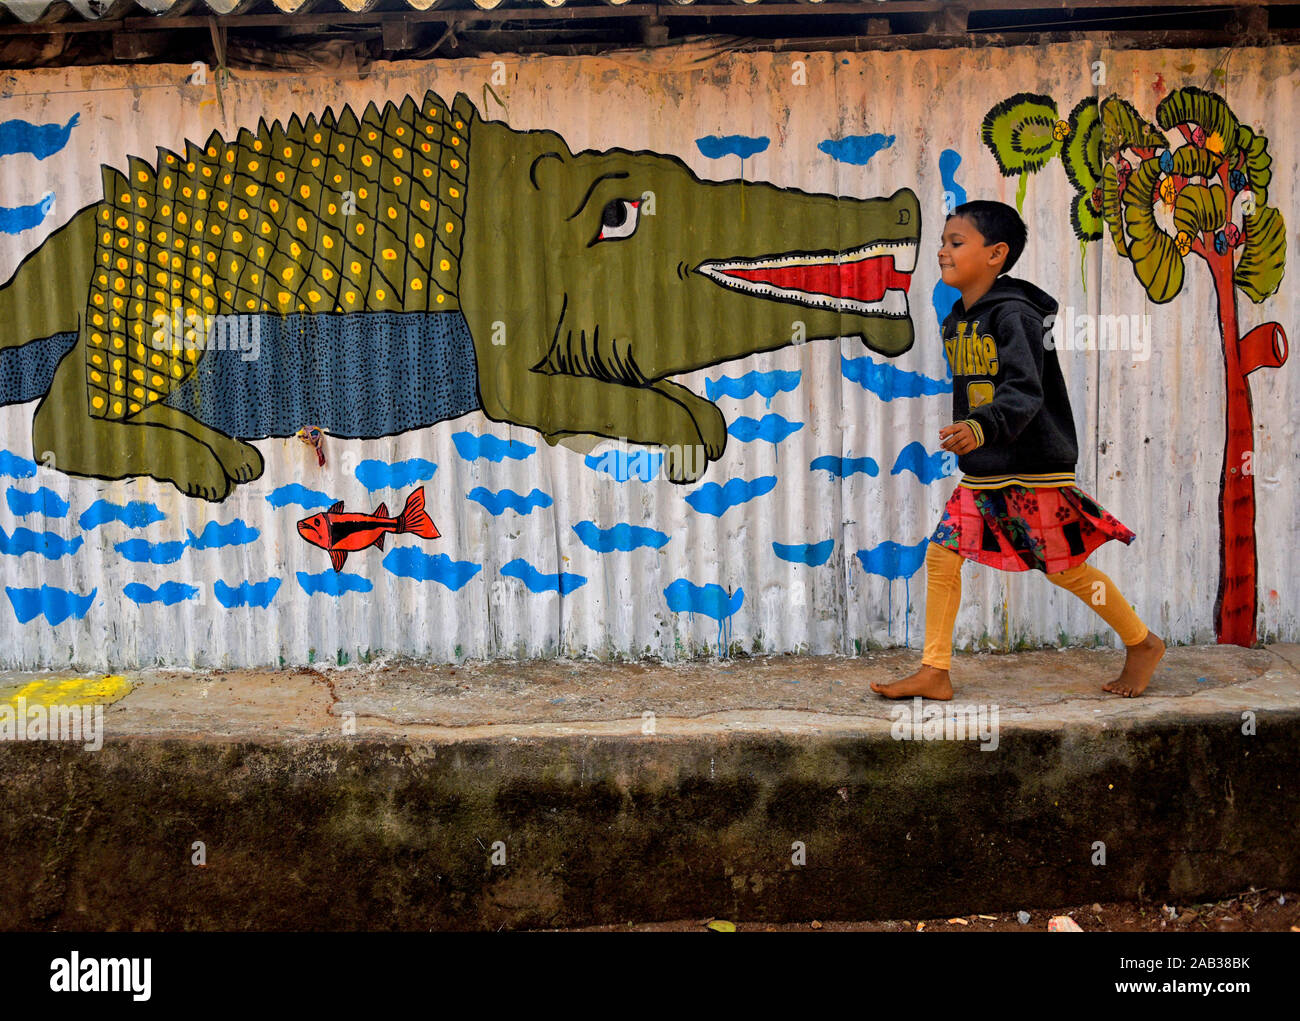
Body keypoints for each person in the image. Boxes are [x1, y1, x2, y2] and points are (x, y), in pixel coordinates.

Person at [870, 200, 1165, 701]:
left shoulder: (1015, 315)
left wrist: (982, 427)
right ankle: (935, 672)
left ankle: (1142, 643)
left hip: (1031, 468)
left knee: (1066, 570)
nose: (942, 252)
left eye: (955, 243)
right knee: (943, 555)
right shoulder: (958, 321)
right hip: (987, 470)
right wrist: (977, 436)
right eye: (943, 242)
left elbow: (1024, 390)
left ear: (995, 254)